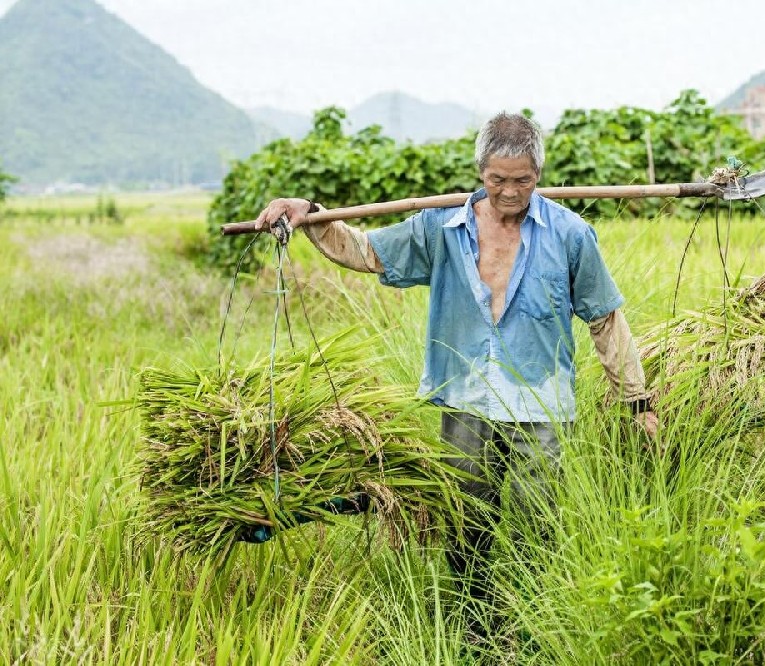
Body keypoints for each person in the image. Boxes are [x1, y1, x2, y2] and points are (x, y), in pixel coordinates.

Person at [255, 111, 659, 636]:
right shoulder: (440, 227)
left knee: (540, 522)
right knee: (468, 523)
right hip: (466, 401)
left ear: (538, 174)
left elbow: (605, 319)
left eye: (522, 180)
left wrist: (637, 402)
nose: (510, 192)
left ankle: (536, 627)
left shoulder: (570, 234)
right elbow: (366, 251)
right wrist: (309, 214)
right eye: (498, 180)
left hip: (541, 408)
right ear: (481, 173)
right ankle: (474, 627)